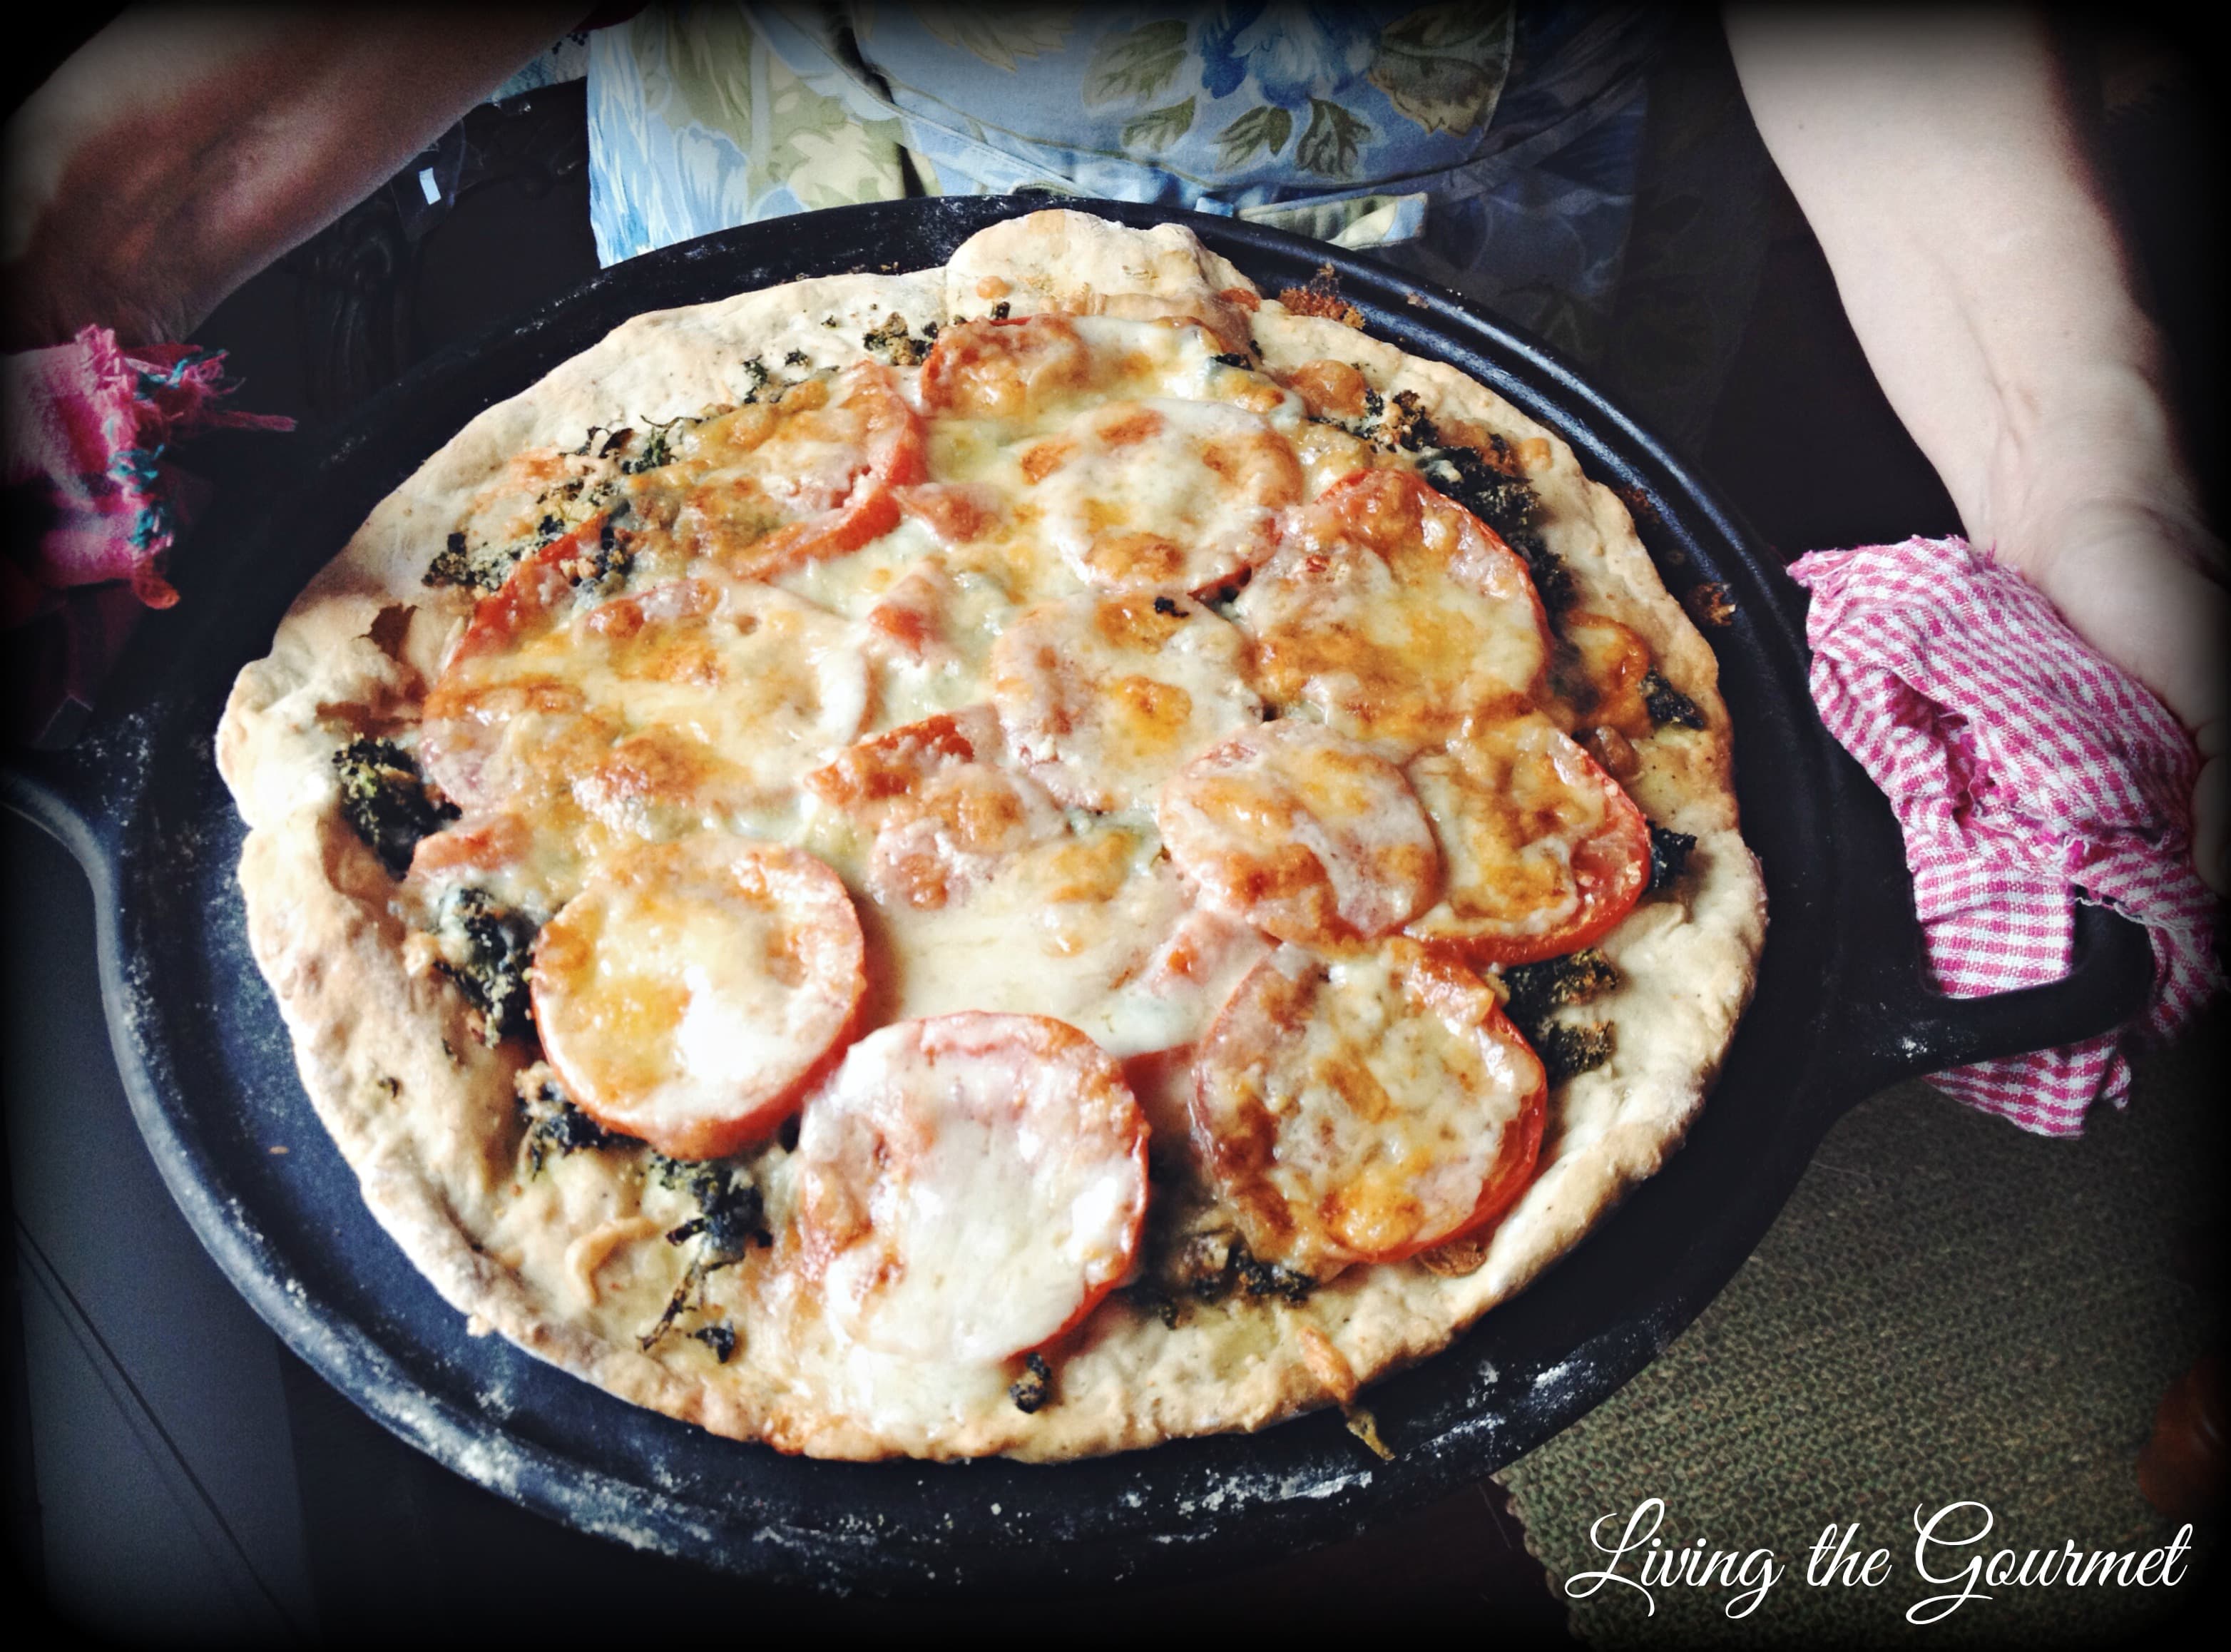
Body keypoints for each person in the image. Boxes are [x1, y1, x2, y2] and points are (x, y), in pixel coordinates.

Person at [3, 6, 2222, 893]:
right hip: (777, 440)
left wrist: (2075, 466)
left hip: (1482, 364)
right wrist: (63, 263)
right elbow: (192, 138)